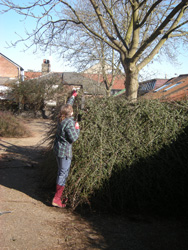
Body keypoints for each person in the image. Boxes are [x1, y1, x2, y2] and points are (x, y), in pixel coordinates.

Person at [52, 90, 80, 208]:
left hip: (58, 149)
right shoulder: (69, 122)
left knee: (60, 171)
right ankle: (57, 199)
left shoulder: (61, 117)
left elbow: (68, 107)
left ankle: (58, 196)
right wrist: (77, 128)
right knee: (63, 173)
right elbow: (73, 138)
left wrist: (73, 96)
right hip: (65, 152)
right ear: (70, 113)